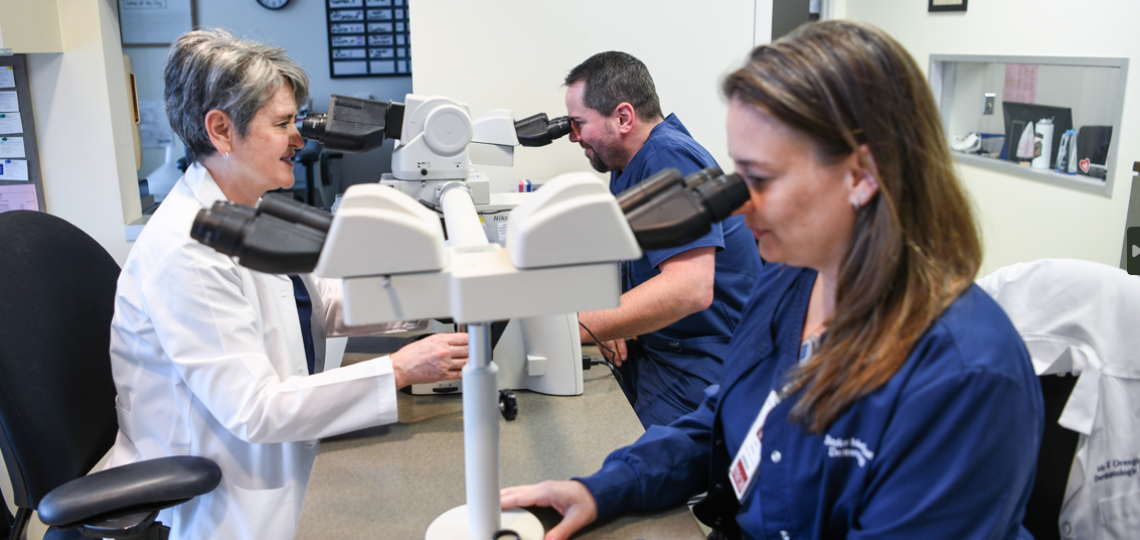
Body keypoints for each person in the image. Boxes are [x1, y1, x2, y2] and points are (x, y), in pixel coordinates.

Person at [502, 21, 1044, 540]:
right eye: (738, 174)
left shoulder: (965, 378)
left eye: (761, 178)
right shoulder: (789, 283)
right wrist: (604, 489)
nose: (736, 210)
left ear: (862, 175)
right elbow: (721, 421)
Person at [107, 29, 469, 540]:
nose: (300, 137)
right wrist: (399, 369)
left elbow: (327, 303)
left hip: (278, 456)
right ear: (221, 130)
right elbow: (256, 410)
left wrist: (445, 296)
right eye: (282, 123)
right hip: (223, 497)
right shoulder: (186, 251)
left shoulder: (247, 208)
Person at [564, 51, 763, 427]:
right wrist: (613, 321)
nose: (573, 136)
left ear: (623, 117)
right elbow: (627, 256)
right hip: (664, 350)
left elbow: (690, 287)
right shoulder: (628, 164)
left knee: (616, 452)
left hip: (703, 364)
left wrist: (577, 325)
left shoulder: (667, 157)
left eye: (578, 123)